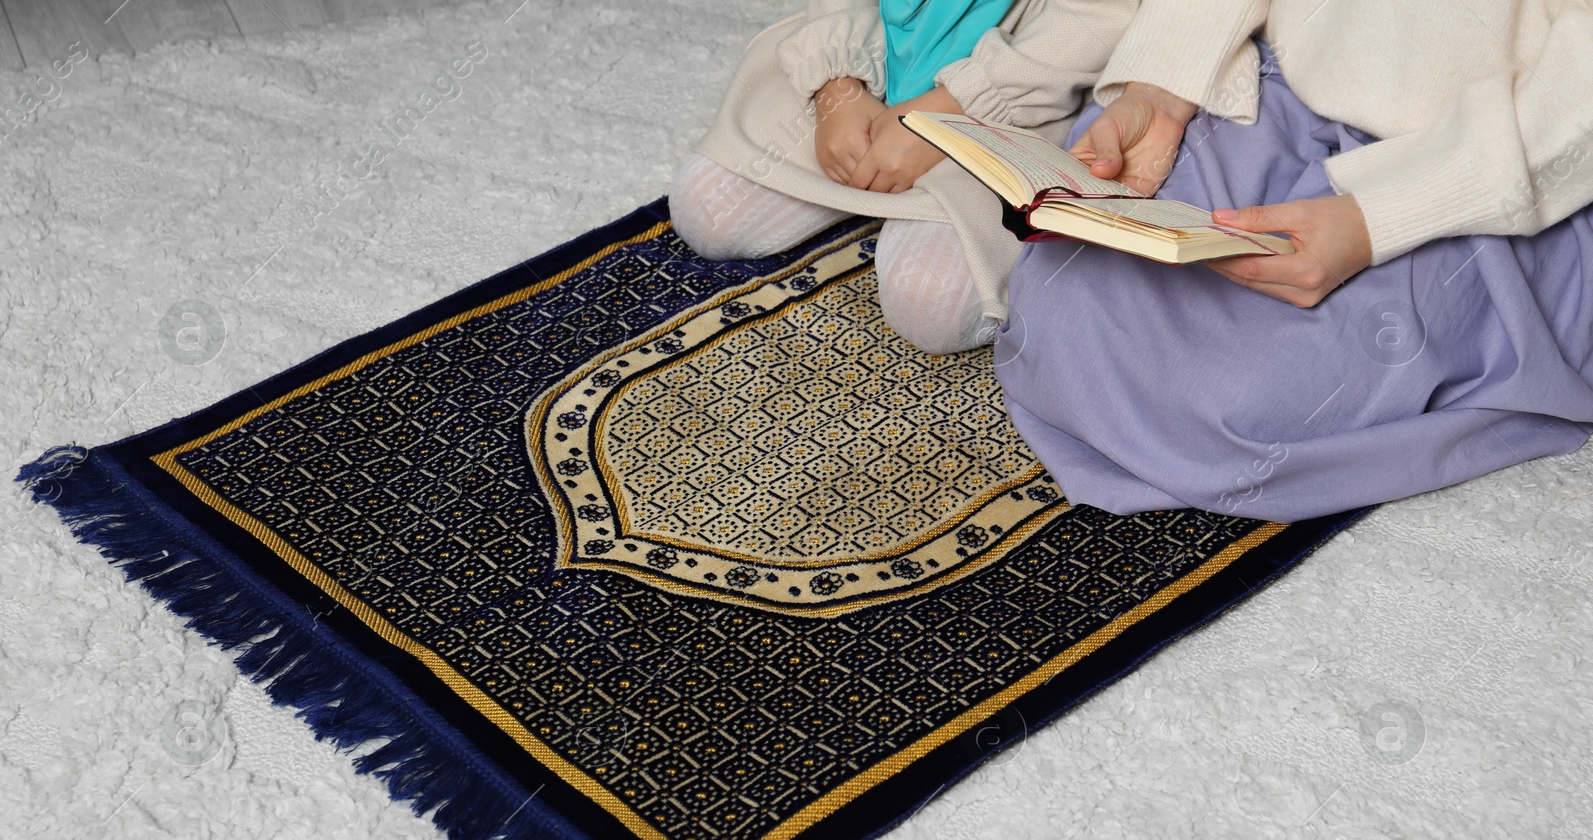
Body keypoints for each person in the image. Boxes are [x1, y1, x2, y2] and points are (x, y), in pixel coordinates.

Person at [993, 0, 1593, 522]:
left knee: (1238, 403)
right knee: (1067, 300)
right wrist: (1163, 85)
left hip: (1503, 156)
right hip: (1283, 84)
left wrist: (1382, 218)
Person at [669, 0, 1138, 354]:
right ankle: (869, 168)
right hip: (873, 42)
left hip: (1022, 88)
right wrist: (837, 82)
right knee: (708, 211)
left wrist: (956, 108)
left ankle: (946, 208)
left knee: (929, 304)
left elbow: (1097, 19)